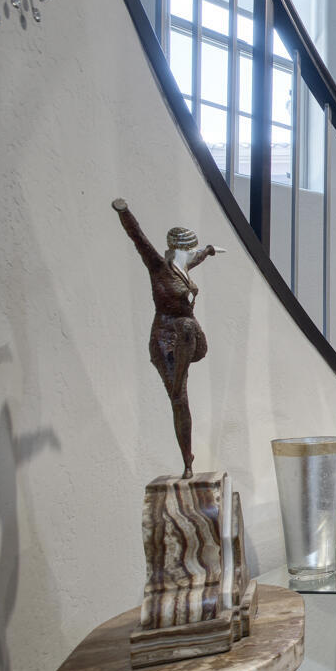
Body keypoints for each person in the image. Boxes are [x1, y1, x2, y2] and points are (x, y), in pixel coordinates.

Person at [112, 198, 224, 478]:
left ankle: (177, 386)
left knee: (187, 327)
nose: (194, 255)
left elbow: (198, 256)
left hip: (188, 339)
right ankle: (187, 460)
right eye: (191, 250)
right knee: (180, 400)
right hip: (165, 341)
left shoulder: (183, 267)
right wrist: (124, 211)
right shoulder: (159, 267)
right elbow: (137, 237)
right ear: (178, 250)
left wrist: (210, 250)